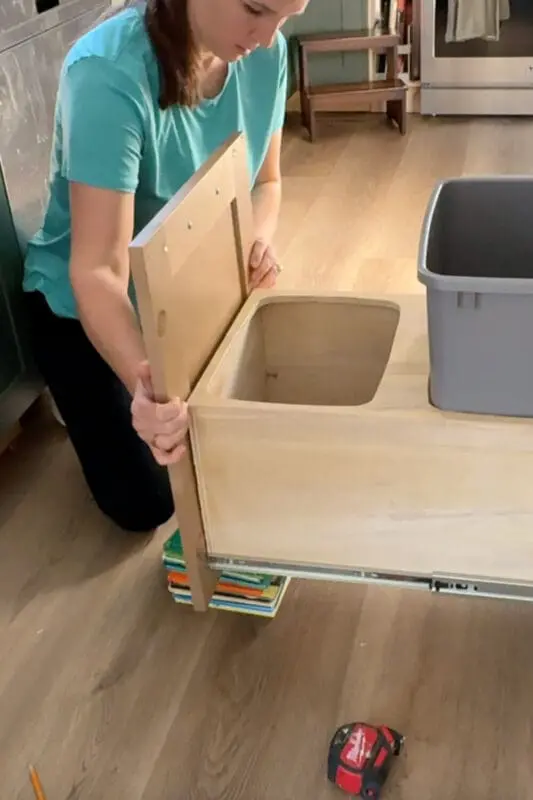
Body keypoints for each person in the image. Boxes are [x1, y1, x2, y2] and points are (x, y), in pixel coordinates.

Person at [22, 0, 308, 533]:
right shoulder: (108, 74)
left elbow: (266, 183)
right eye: (256, 9)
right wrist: (144, 385)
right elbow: (98, 273)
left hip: (183, 284)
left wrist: (258, 241)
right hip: (83, 304)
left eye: (286, 18)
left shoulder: (267, 55)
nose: (268, 37)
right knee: (150, 502)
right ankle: (76, 390)